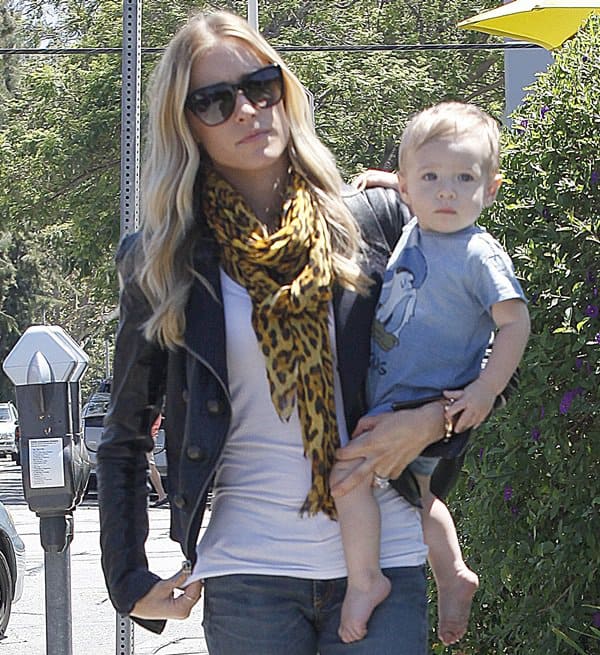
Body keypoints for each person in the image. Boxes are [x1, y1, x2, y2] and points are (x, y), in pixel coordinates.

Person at [97, 12, 515, 654]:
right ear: (186, 125)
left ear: (284, 91)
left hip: (383, 560)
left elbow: (493, 344)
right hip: (248, 573)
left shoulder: (378, 221)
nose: (246, 110)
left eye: (260, 86)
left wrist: (433, 422)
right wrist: (127, 577)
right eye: (215, 100)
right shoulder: (163, 258)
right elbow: (126, 434)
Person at [332, 102, 530, 645]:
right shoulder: (416, 228)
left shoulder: (476, 254)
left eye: (464, 178)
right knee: (420, 497)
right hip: (395, 399)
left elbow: (515, 323)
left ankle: (365, 581)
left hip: (424, 403)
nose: (447, 191)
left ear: (489, 191)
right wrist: (387, 182)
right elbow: (409, 192)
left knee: (347, 479)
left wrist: (485, 390)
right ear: (407, 187)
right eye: (431, 179)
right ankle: (451, 573)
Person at [147, 413, 168, 507]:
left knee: (149, 465)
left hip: (147, 436)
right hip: (149, 435)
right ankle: (161, 495)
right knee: (149, 465)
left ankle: (162, 495)